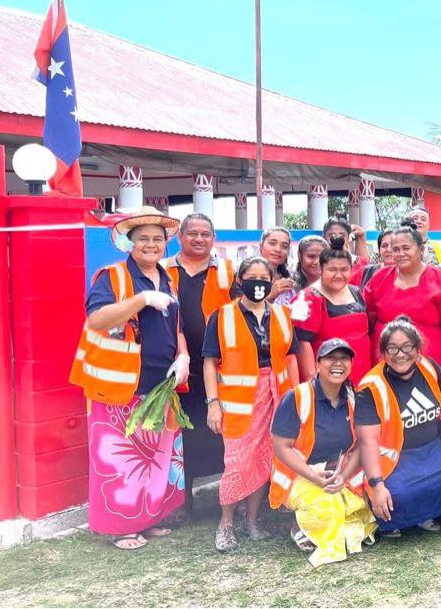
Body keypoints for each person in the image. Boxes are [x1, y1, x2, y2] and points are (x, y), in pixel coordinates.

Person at [71, 207, 189, 550]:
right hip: (121, 384)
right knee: (123, 458)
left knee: (156, 454)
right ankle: (122, 526)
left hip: (161, 382)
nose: (151, 245)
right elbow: (97, 319)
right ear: (129, 242)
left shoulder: (167, 277)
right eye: (143, 239)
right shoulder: (112, 276)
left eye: (158, 238)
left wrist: (182, 355)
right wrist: (141, 300)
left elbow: (174, 325)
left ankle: (148, 519)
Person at [356, 318, 441, 536]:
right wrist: (377, 485)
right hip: (398, 458)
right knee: (400, 493)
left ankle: (436, 512)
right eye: (392, 348)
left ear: (417, 349)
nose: (400, 354)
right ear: (383, 352)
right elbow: (367, 440)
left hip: (436, 447)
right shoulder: (370, 387)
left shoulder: (428, 366)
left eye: (407, 346)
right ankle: (411, 517)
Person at [203, 257, 301, 552]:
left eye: (264, 277)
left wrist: (296, 397)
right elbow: (210, 362)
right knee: (237, 462)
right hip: (238, 404)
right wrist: (212, 403)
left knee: (264, 458)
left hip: (276, 397)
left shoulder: (282, 315)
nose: (258, 282)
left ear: (272, 281)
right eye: (252, 276)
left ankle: (253, 522)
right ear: (240, 280)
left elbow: (291, 357)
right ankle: (226, 525)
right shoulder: (221, 316)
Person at [269, 339, 377, 567]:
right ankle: (299, 525)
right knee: (329, 507)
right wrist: (314, 476)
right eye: (331, 358)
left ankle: (326, 516)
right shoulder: (297, 397)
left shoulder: (354, 399)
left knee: (363, 505)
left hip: (336, 471)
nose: (338, 363)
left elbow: (360, 445)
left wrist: (344, 477)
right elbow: (280, 447)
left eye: (344, 358)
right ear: (318, 364)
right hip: (299, 474)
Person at [161, 213, 236, 522]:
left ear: (213, 238)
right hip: (175, 365)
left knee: (220, 432)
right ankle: (183, 502)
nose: (199, 239)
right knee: (180, 434)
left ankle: (228, 497)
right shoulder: (164, 271)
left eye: (206, 234)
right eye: (193, 233)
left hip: (216, 366)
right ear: (180, 237)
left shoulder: (227, 271)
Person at [361, 224, 441, 382]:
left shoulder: (439, 280)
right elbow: (368, 318)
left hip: (427, 367)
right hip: (385, 366)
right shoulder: (380, 278)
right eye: (396, 249)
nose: (400, 254)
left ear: (421, 250)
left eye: (406, 248)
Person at [293, 240, 372, 385]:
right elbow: (302, 343)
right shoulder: (308, 298)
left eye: (344, 269)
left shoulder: (356, 291)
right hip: (327, 380)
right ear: (321, 269)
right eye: (332, 269)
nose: (339, 275)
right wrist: (313, 380)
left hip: (363, 376)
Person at [276, 235, 327, 306]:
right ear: (300, 256)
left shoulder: (335, 287)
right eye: (311, 256)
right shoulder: (288, 288)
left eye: (322, 256)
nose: (317, 262)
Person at [256, 227, 295, 303]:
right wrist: (271, 296)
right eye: (272, 243)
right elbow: (243, 310)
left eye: (284, 246)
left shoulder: (292, 278)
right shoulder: (248, 276)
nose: (278, 249)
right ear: (261, 246)